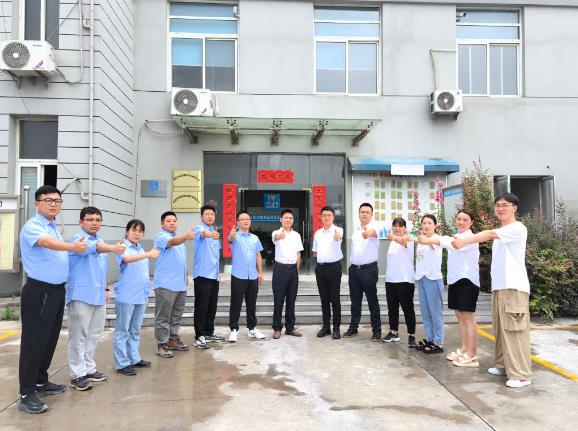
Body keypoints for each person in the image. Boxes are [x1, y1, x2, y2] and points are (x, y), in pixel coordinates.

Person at [18, 185, 88, 414]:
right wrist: (72, 247)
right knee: (33, 342)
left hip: (57, 291)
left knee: (49, 339)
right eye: (49, 200)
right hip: (40, 292)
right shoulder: (33, 226)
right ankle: (27, 393)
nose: (54, 204)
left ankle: (40, 381)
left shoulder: (53, 227)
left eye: (58, 201)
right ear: (37, 203)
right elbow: (46, 243)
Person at [453, 193, 532, 388]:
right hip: (500, 288)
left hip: (513, 288)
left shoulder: (517, 228)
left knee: (514, 331)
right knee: (501, 329)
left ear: (514, 208)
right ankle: (503, 366)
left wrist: (464, 241)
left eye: (505, 205)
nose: (500, 208)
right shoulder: (502, 232)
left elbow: (488, 234)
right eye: (497, 205)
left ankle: (521, 374)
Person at [66, 207, 126, 391]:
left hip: (98, 295)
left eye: (98, 220)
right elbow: (94, 248)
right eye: (90, 219)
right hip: (81, 295)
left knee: (93, 335)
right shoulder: (77, 239)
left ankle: (89, 369)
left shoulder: (101, 241)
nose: (94, 223)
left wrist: (106, 289)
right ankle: (77, 374)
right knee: (78, 336)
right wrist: (114, 248)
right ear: (81, 222)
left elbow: (103, 269)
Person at [113, 219, 160, 376]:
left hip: (140, 296)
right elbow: (126, 259)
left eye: (140, 231)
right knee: (122, 330)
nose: (137, 233)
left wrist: (146, 293)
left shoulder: (140, 249)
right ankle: (122, 363)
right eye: (134, 230)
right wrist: (147, 254)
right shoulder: (122, 246)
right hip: (126, 296)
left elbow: (143, 274)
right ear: (127, 231)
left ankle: (134, 358)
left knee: (134, 330)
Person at [435, 209, 481, 367]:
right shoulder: (457, 236)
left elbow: (449, 243)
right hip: (455, 281)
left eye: (465, 220)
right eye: (459, 219)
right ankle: (464, 349)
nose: (461, 222)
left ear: (471, 222)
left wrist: (431, 238)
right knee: (460, 316)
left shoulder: (470, 238)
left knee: (468, 318)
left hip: (467, 281)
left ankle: (472, 356)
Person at [154, 211, 195, 358]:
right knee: (163, 316)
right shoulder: (161, 237)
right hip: (165, 284)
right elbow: (172, 242)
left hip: (180, 284)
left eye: (174, 220)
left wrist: (185, 274)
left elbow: (180, 259)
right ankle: (162, 344)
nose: (172, 223)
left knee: (176, 315)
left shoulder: (179, 239)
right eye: (168, 221)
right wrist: (185, 237)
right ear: (162, 224)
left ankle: (172, 339)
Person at [344, 203, 382, 342]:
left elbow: (373, 232)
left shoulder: (376, 227)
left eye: (367, 212)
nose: (364, 214)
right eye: (362, 212)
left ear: (372, 214)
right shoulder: (355, 231)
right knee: (355, 301)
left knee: (372, 301)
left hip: (369, 270)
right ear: (358, 214)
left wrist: (368, 233)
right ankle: (353, 328)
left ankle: (376, 330)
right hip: (354, 270)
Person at [227, 210, 266, 342]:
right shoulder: (234, 236)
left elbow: (258, 255)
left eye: (248, 219)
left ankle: (252, 329)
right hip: (238, 275)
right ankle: (233, 330)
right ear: (238, 222)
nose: (246, 221)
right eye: (242, 219)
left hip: (252, 276)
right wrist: (232, 235)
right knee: (236, 303)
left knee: (251, 304)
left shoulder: (255, 238)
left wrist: (260, 272)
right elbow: (230, 239)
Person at [383, 218, 417, 348]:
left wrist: (393, 237)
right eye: (395, 226)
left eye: (400, 226)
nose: (397, 228)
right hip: (391, 280)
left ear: (405, 228)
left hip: (405, 280)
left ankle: (411, 335)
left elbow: (403, 242)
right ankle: (394, 332)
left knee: (408, 309)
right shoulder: (392, 242)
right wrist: (393, 238)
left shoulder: (408, 239)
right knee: (392, 309)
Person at [193, 205, 224, 349]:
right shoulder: (199, 229)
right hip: (202, 275)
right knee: (201, 306)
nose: (210, 216)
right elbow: (203, 233)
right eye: (207, 214)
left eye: (212, 214)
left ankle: (209, 332)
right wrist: (211, 235)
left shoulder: (214, 231)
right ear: (201, 216)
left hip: (214, 276)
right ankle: (199, 335)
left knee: (212, 306)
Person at [271, 209, 304, 339]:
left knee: (291, 300)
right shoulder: (276, 232)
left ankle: (290, 328)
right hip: (280, 269)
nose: (288, 220)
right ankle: (277, 328)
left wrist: (296, 270)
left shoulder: (296, 235)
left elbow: (298, 253)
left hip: (293, 271)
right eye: (286, 218)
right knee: (278, 300)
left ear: (293, 220)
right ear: (281, 219)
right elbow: (275, 238)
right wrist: (279, 236)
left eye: (290, 218)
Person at [312, 206, 343, 339]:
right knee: (324, 299)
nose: (326, 217)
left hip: (334, 268)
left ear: (333, 217)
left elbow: (338, 237)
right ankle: (326, 327)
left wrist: (337, 238)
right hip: (320, 269)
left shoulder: (338, 230)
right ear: (321, 217)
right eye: (324, 215)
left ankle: (336, 328)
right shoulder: (318, 233)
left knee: (335, 299)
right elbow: (315, 252)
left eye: (329, 215)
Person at [416, 214, 445, 354]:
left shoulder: (437, 239)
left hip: (433, 279)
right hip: (422, 278)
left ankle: (438, 342)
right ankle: (430, 338)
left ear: (435, 225)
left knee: (435, 312)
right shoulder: (421, 240)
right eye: (424, 223)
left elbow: (432, 243)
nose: (426, 225)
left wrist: (424, 240)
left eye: (429, 223)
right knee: (426, 312)